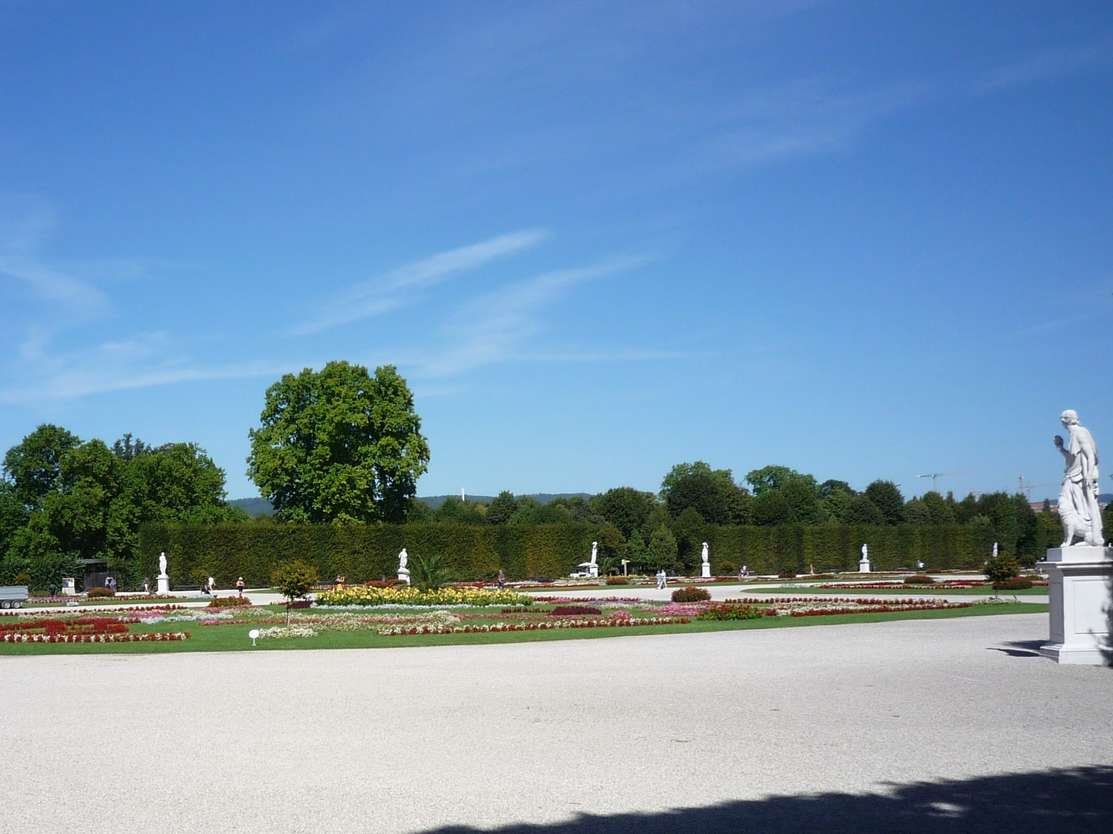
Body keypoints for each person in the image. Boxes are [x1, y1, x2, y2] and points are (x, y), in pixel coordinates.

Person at [1054, 409, 1103, 547]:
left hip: (1080, 477)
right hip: (1072, 475)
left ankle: (1088, 535)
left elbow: (1090, 455)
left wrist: (1089, 475)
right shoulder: (1073, 434)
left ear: (1067, 420)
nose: (1061, 421)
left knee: (1080, 507)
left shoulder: (1079, 433)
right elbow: (1073, 459)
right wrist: (1061, 448)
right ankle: (1080, 537)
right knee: (1067, 505)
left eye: (1063, 419)